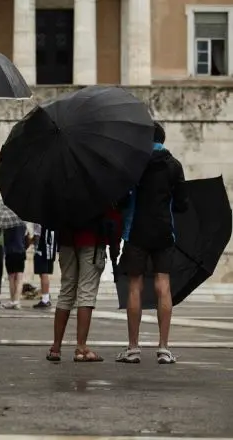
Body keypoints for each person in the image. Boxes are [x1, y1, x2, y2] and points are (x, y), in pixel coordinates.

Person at [116, 121, 188, 365]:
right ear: (163, 140)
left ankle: (133, 348)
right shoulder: (174, 166)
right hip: (164, 232)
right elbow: (182, 204)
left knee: (134, 286)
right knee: (163, 285)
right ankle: (164, 348)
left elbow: (122, 201)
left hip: (136, 231)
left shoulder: (134, 165)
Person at [47, 207, 122, 362]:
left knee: (66, 292)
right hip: (93, 241)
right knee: (86, 293)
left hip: (67, 240)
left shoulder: (63, 183)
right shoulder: (99, 184)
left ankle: (56, 347)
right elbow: (112, 215)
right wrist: (115, 242)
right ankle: (81, 348)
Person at [2, 224, 29, 310]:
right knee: (19, 278)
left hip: (10, 253)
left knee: (11, 278)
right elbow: (27, 240)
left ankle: (13, 300)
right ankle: (17, 301)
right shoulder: (23, 225)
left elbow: (5, 241)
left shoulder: (6, 226)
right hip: (20, 252)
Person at [32, 224, 57, 309]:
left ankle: (45, 299)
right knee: (43, 273)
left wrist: (35, 247)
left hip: (42, 249)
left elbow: (37, 235)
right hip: (48, 249)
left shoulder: (39, 220)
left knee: (43, 273)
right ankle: (46, 296)